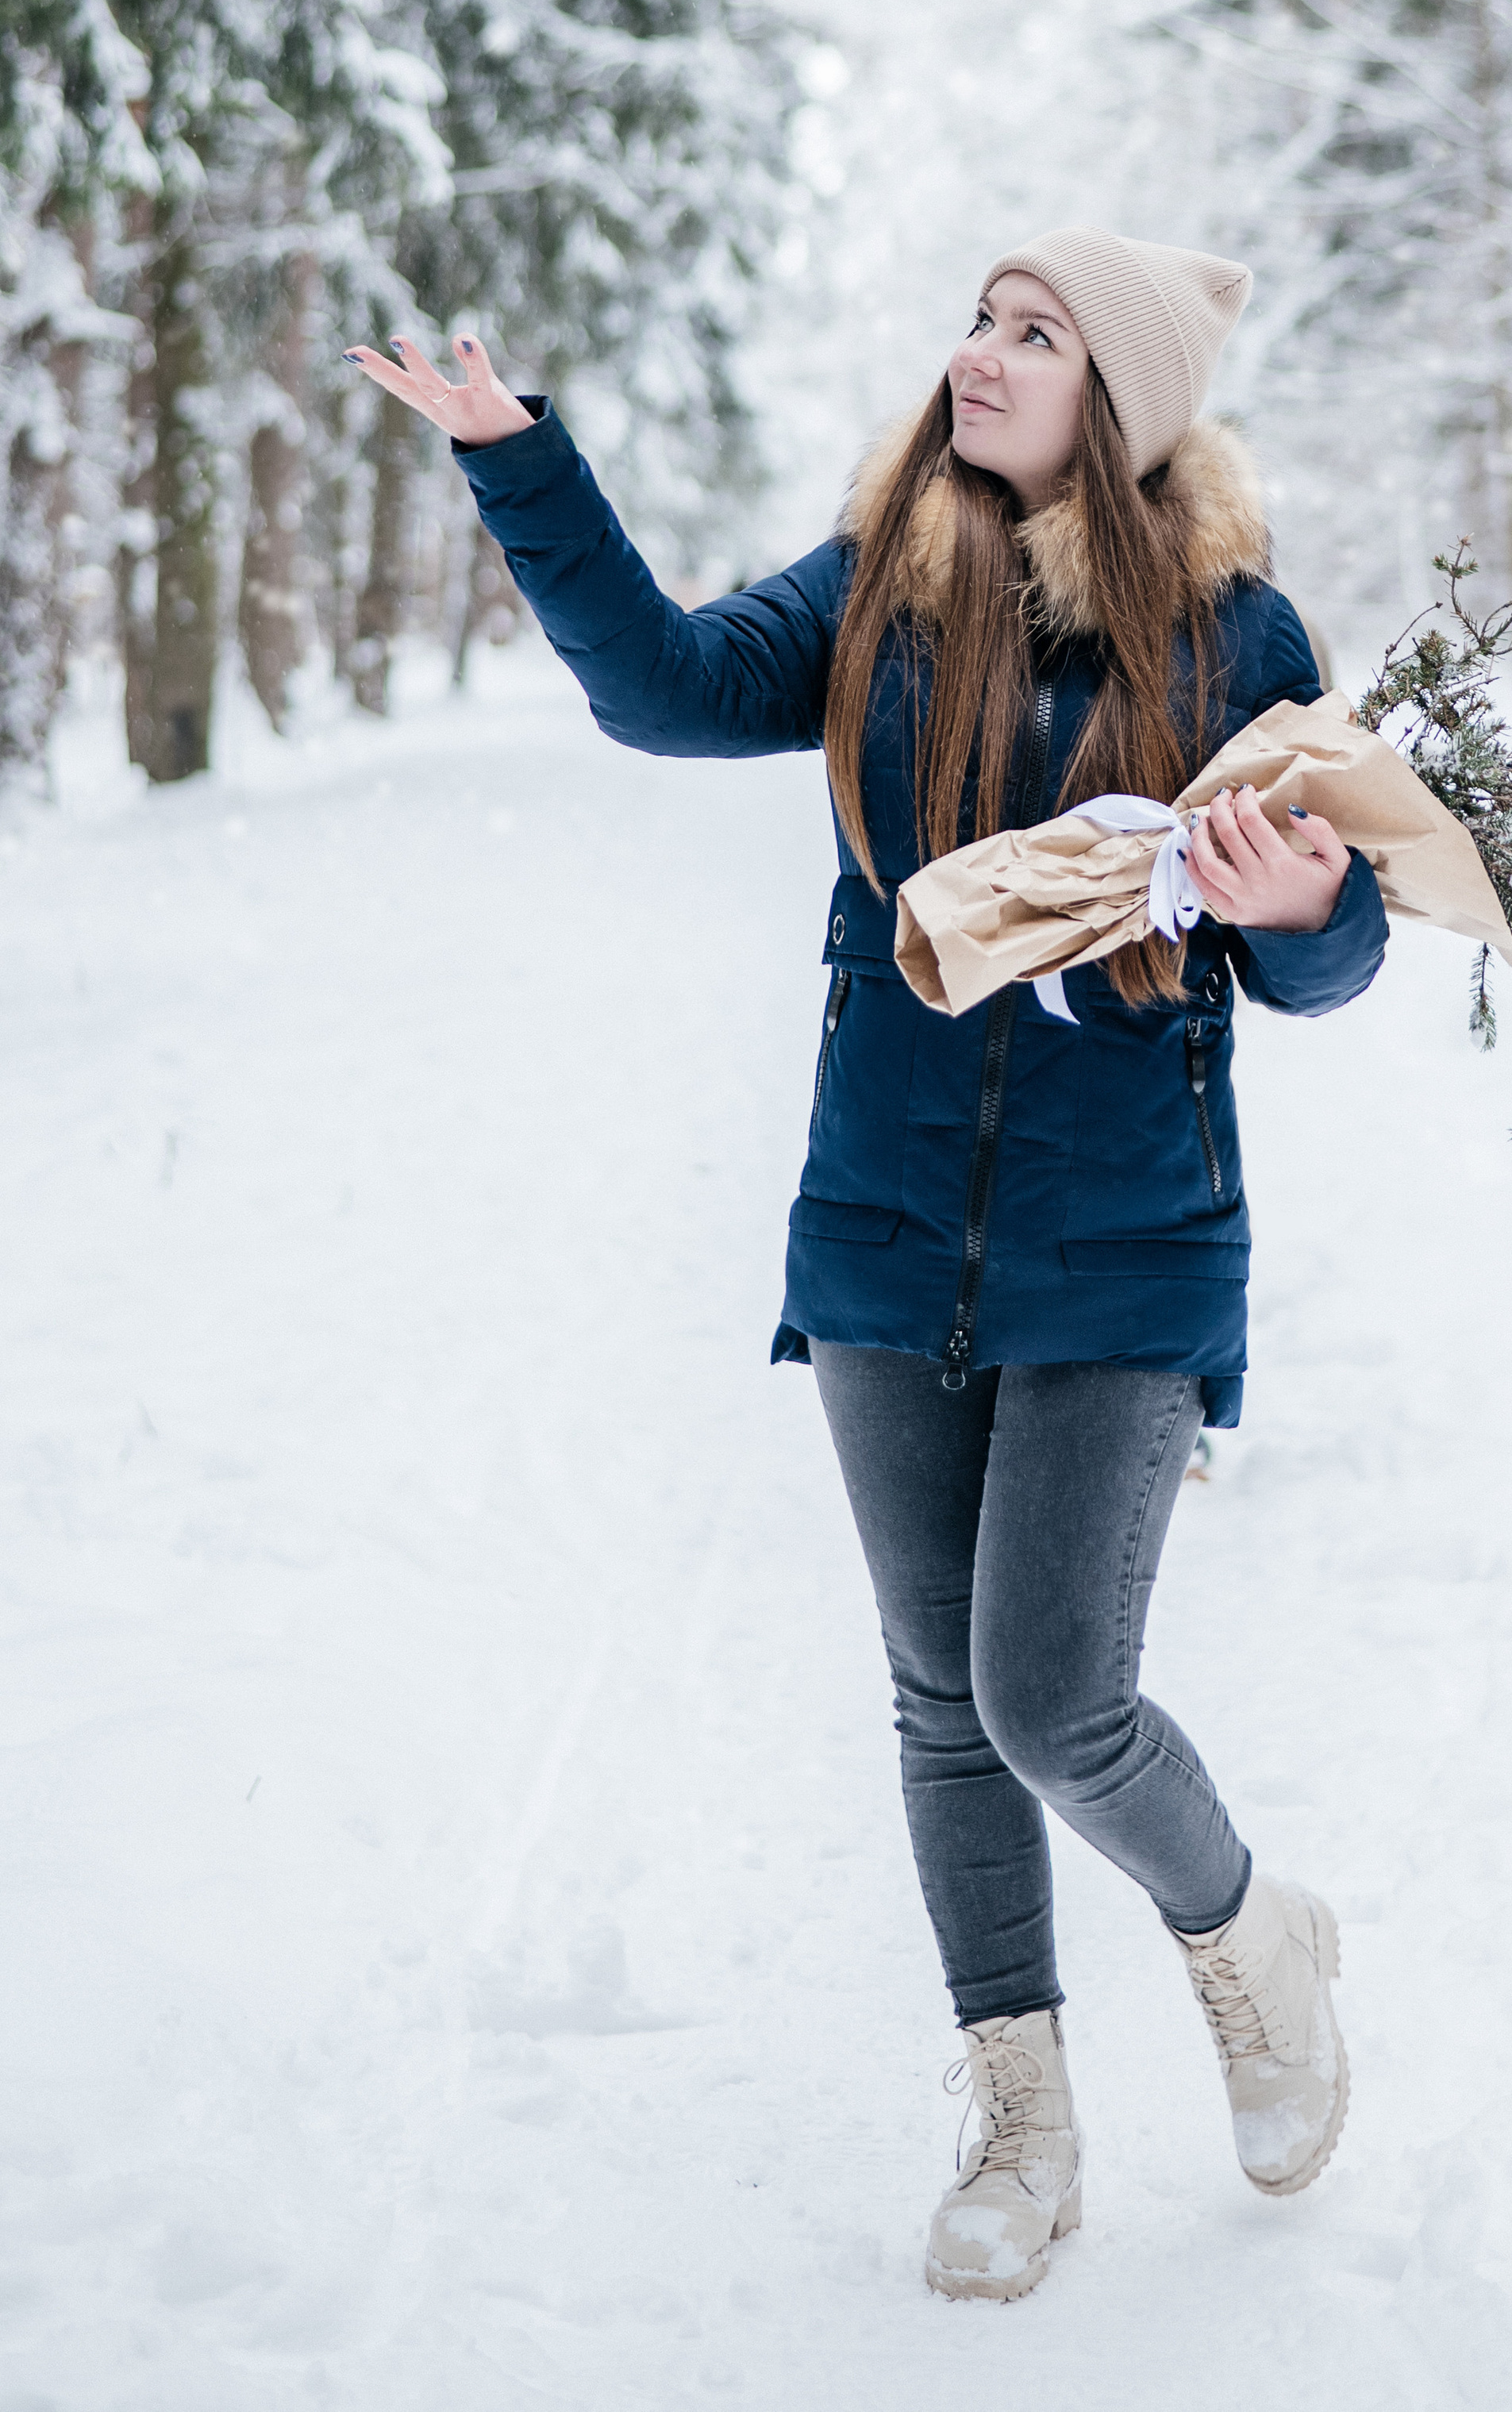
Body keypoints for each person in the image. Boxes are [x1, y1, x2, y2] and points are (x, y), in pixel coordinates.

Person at [344, 227, 1388, 2303]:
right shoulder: (878, 596)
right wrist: (514, 459)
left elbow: (1338, 951)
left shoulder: (1236, 634)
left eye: (1036, 330)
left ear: (1127, 398)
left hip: (1132, 1253)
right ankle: (1025, 2114)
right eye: (981, 317)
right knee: (943, 1704)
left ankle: (1252, 1938)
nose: (980, 351)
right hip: (889, 1236)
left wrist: (1294, 908)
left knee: (1049, 1695)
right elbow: (662, 688)